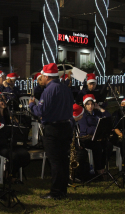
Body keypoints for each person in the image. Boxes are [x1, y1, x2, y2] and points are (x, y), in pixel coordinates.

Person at [29, 63, 74, 200]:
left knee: (55, 161)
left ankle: (55, 192)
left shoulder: (49, 90)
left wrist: (31, 105)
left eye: (41, 76)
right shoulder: (65, 88)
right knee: (63, 161)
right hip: (66, 127)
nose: (40, 78)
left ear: (46, 76)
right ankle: (62, 190)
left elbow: (41, 111)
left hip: (53, 129)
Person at [0, 92, 30, 184]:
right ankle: (10, 176)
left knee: (25, 155)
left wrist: (14, 121)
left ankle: (9, 173)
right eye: (1, 100)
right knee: (13, 156)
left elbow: (16, 128)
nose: (4, 102)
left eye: (4, 100)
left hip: (9, 143)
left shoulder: (8, 114)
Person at [78, 94, 112, 176]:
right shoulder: (83, 115)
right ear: (85, 105)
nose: (90, 106)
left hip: (98, 137)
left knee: (108, 145)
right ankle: (98, 168)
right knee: (98, 147)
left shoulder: (97, 113)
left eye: (92, 104)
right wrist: (97, 129)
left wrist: (100, 108)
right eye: (88, 104)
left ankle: (102, 166)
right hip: (86, 139)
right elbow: (85, 129)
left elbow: (108, 119)